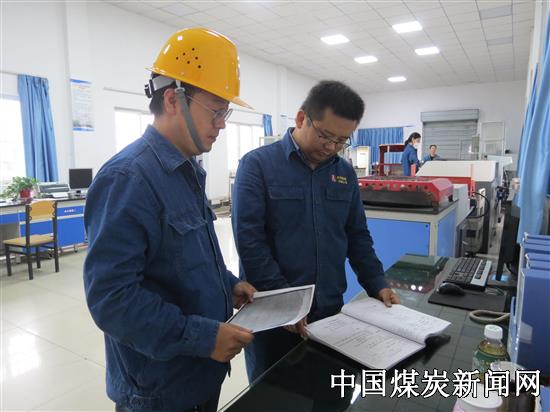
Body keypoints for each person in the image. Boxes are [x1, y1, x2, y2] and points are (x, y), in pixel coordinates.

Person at [83, 28, 256, 412]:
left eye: (225, 112)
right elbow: (111, 300)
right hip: (159, 389)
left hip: (200, 374)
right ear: (173, 99)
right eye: (216, 110)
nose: (222, 123)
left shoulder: (187, 171)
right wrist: (203, 337)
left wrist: (229, 285)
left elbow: (186, 260)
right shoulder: (128, 179)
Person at [231, 80, 400, 382]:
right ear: (301, 119)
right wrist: (287, 303)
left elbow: (357, 235)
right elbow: (250, 242)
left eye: (342, 140)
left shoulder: (344, 172)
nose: (331, 147)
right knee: (274, 396)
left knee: (331, 391)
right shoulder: (257, 166)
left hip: (330, 311)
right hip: (275, 319)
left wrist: (377, 283)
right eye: (325, 136)